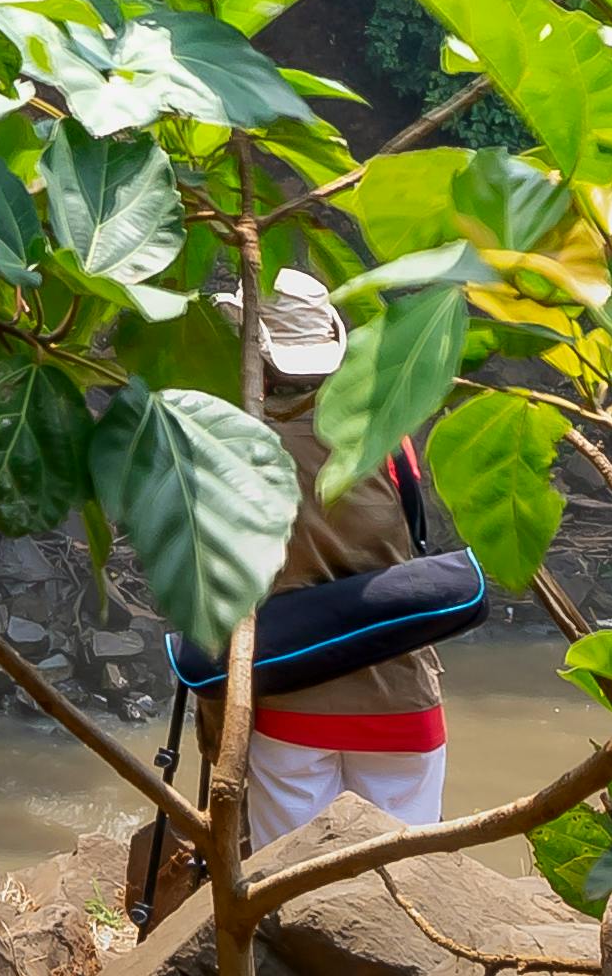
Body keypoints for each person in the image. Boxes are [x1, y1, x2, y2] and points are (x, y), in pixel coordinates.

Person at [227, 267, 462, 856]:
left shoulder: (238, 448)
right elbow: (413, 539)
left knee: (288, 883)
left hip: (288, 698)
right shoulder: (386, 440)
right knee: (407, 879)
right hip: (402, 697)